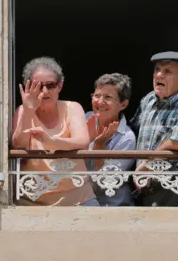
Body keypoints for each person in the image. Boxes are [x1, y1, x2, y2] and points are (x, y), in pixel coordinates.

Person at [11, 56, 99, 206]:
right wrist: (28, 111)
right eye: (38, 86)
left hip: (79, 198)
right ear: (29, 87)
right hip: (33, 202)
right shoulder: (23, 111)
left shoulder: (72, 108)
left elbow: (82, 142)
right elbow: (18, 145)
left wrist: (51, 142)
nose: (45, 91)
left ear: (60, 86)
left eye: (50, 85)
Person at [130, 51, 178, 207]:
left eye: (167, 71)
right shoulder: (148, 100)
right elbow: (132, 131)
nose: (159, 75)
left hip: (175, 189)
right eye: (157, 69)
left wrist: (145, 165)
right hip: (144, 191)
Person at [85, 73, 136, 206]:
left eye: (107, 97)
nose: (100, 102)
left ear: (123, 104)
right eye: (97, 95)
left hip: (113, 207)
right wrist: (86, 141)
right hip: (81, 203)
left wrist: (99, 145)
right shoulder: (85, 119)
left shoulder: (127, 138)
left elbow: (104, 181)